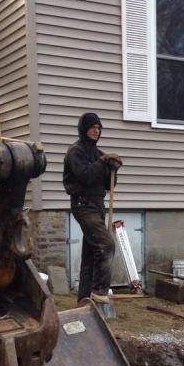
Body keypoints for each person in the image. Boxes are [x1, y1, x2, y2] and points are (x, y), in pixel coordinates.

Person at [63, 112, 122, 304]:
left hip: (97, 205)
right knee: (106, 244)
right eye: (93, 127)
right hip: (83, 205)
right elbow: (85, 175)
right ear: (84, 129)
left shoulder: (99, 154)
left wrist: (113, 169)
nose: (96, 131)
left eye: (99, 128)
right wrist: (102, 162)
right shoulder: (75, 152)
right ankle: (99, 290)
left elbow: (108, 185)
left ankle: (84, 298)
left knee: (90, 253)